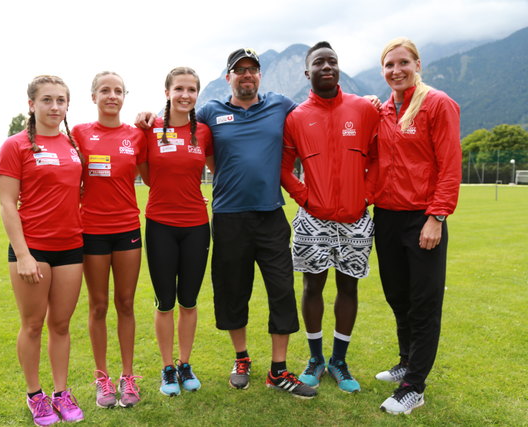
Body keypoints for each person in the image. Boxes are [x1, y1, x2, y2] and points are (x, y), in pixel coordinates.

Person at [196, 48, 316, 399]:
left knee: (281, 289)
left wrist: (363, 101)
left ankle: (278, 371)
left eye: (253, 70)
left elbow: (318, 111)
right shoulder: (211, 112)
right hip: (230, 217)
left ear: (260, 76)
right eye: (239, 70)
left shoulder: (279, 105)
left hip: (270, 216)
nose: (246, 75)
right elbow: (180, 126)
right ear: (227, 76)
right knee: (233, 290)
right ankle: (242, 358)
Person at [280, 41, 379, 394]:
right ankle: (314, 358)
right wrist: (305, 197)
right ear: (308, 72)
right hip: (313, 219)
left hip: (355, 218)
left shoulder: (364, 109)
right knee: (312, 286)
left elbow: (380, 157)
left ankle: (339, 360)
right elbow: (285, 168)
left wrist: (366, 195)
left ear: (339, 68)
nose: (327, 67)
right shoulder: (296, 116)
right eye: (319, 63)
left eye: (332, 62)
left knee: (348, 287)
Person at [371, 38, 462, 415]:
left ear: (417, 64)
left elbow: (450, 165)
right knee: (398, 297)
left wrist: (436, 216)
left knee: (423, 303)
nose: (397, 70)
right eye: (389, 65)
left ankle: (414, 387)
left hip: (423, 218)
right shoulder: (383, 110)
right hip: (387, 216)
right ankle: (406, 361)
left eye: (403, 62)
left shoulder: (438, 104)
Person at [0, 75, 85, 426]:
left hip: (71, 247)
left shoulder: (72, 145)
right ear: (31, 105)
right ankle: (36, 395)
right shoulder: (15, 145)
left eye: (61, 100)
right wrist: (23, 254)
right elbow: (6, 204)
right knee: (33, 325)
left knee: (61, 324)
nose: (55, 107)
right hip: (33, 248)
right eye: (47, 100)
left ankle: (61, 393)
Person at [72, 71, 147, 408]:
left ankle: (127, 377)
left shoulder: (137, 134)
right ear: (93, 97)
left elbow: (155, 172)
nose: (112, 96)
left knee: (126, 303)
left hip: (127, 229)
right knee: (99, 305)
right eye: (105, 90)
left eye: (118, 90)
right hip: (91, 231)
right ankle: (102, 378)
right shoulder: (79, 134)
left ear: (124, 96)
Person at [140, 67, 214, 396]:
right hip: (160, 225)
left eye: (192, 89)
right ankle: (167, 367)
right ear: (167, 91)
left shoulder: (205, 132)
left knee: (188, 301)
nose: (185, 94)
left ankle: (185, 364)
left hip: (197, 226)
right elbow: (146, 172)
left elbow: (218, 168)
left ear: (197, 94)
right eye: (179, 88)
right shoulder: (149, 128)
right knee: (165, 302)